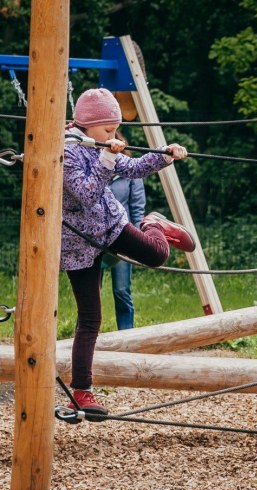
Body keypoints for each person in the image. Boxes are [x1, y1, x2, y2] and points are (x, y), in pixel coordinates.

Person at [62, 88, 196, 417]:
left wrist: (164, 156)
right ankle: (81, 392)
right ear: (88, 124)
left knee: (157, 255)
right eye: (108, 130)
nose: (112, 135)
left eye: (114, 130)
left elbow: (134, 167)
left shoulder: (101, 143)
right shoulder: (68, 152)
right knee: (90, 318)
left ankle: (154, 223)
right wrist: (108, 155)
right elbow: (85, 194)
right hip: (78, 243)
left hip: (111, 225)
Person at [104, 131, 146, 330]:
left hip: (122, 236)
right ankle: (87, 334)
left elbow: (137, 208)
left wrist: (138, 242)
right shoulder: (98, 168)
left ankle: (126, 334)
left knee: (121, 290)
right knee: (90, 292)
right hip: (96, 238)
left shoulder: (130, 174)